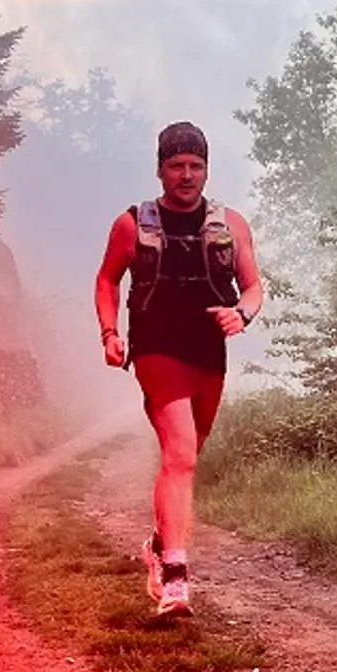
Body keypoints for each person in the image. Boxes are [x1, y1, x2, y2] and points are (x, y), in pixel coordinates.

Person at [94, 121, 263, 617]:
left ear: (207, 169)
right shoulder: (132, 224)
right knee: (182, 453)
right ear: (160, 169)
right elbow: (107, 280)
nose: (186, 176)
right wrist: (109, 333)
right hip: (155, 348)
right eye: (176, 166)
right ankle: (176, 577)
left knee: (186, 456)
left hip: (209, 352)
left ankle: (159, 542)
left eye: (195, 166)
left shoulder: (231, 224)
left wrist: (242, 314)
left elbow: (253, 287)